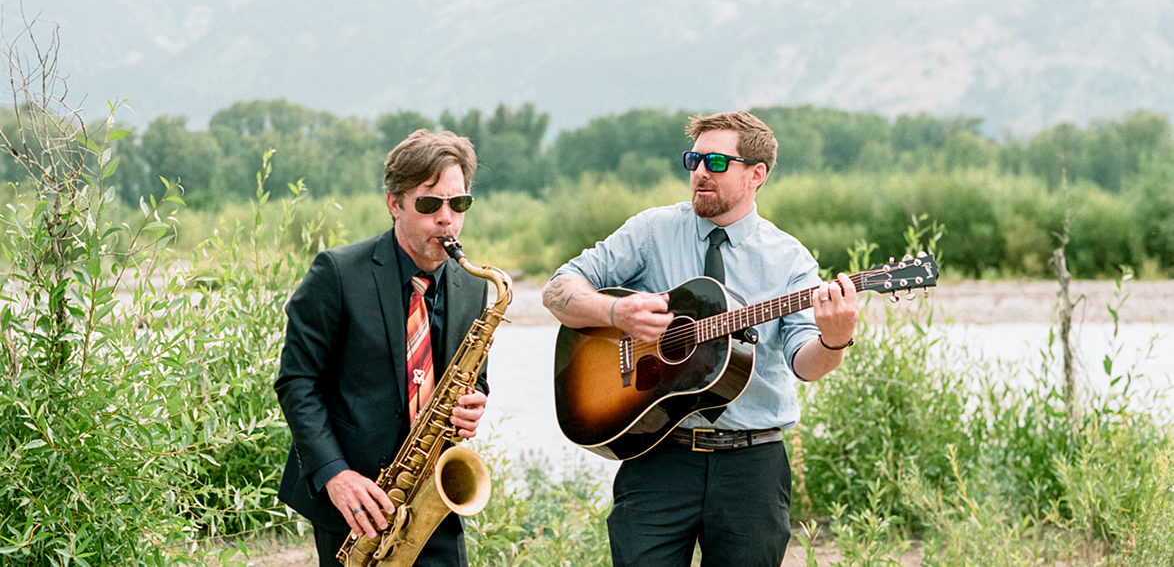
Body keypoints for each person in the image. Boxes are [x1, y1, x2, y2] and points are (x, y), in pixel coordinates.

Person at [541, 111, 860, 566]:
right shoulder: (653, 231)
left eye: (715, 161)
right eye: (693, 159)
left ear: (757, 174)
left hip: (753, 467)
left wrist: (834, 340)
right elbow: (558, 290)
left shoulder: (790, 260)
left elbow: (804, 364)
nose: (699, 172)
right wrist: (617, 312)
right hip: (658, 455)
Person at [275, 129, 489, 566]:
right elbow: (297, 382)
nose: (446, 219)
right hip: (356, 507)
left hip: (432, 497)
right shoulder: (337, 273)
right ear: (395, 203)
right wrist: (335, 474)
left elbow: (473, 373)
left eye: (458, 203)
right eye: (429, 204)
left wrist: (475, 401)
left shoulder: (472, 285)